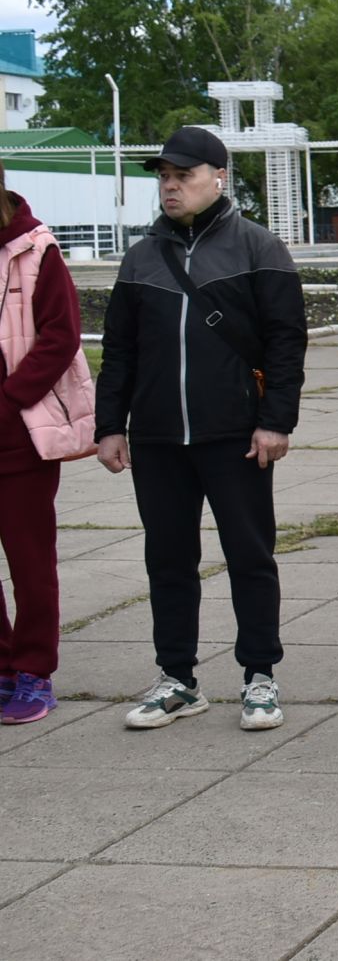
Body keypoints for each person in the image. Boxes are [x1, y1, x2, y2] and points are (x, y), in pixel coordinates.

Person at [96, 125, 308, 731]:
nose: (170, 186)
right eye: (163, 176)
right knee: (168, 559)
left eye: (182, 176)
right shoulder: (141, 257)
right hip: (158, 437)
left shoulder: (258, 248)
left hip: (234, 435)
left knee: (249, 555)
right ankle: (178, 680)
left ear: (219, 178)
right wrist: (110, 425)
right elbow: (120, 351)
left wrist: (275, 421)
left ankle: (260, 675)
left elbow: (285, 342)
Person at [0, 160, 84, 725]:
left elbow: (61, 334)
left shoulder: (36, 248)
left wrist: (10, 397)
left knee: (31, 563)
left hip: (17, 436)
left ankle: (33, 673)